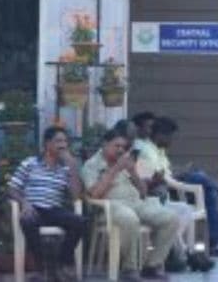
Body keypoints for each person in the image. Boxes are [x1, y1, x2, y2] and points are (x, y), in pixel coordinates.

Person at [81, 128, 179, 282]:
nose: (121, 150)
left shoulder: (126, 162)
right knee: (129, 218)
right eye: (117, 146)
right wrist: (115, 169)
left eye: (123, 147)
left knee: (170, 218)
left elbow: (143, 192)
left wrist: (133, 171)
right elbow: (94, 194)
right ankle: (129, 268)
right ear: (105, 144)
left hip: (135, 203)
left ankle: (152, 265)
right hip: (110, 207)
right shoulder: (91, 165)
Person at [9, 126, 86, 282]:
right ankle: (41, 269)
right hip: (34, 208)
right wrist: (24, 203)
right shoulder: (30, 163)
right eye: (58, 141)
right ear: (47, 143)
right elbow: (12, 189)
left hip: (54, 210)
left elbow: (76, 196)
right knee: (28, 220)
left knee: (80, 222)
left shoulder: (66, 168)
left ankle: (63, 263)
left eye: (65, 142)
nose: (63, 145)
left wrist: (72, 167)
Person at [133, 118, 208, 271]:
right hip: (149, 199)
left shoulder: (158, 150)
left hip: (160, 198)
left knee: (185, 210)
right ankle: (183, 255)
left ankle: (172, 252)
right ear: (160, 135)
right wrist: (163, 179)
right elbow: (154, 177)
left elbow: (166, 175)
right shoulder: (145, 151)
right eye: (169, 136)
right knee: (173, 216)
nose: (171, 140)